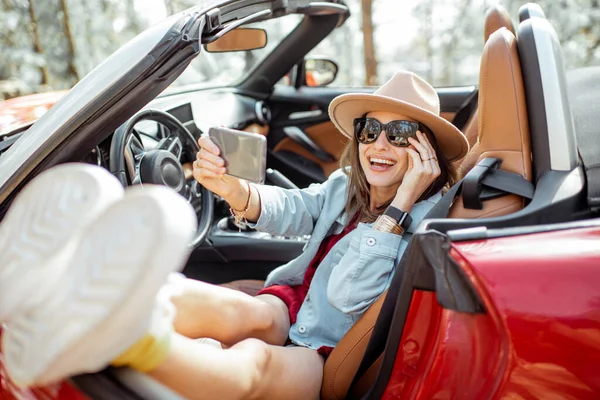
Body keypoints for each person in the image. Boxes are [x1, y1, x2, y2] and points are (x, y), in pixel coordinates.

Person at [0, 71, 468, 399]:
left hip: (331, 348)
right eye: (371, 130)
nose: (380, 144)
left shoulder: (419, 222)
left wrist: (399, 208)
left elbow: (347, 298)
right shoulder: (349, 187)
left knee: (254, 365)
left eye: (401, 132)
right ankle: (69, 280)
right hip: (296, 304)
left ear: (427, 151)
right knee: (239, 309)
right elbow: (296, 208)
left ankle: (122, 337)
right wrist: (233, 188)